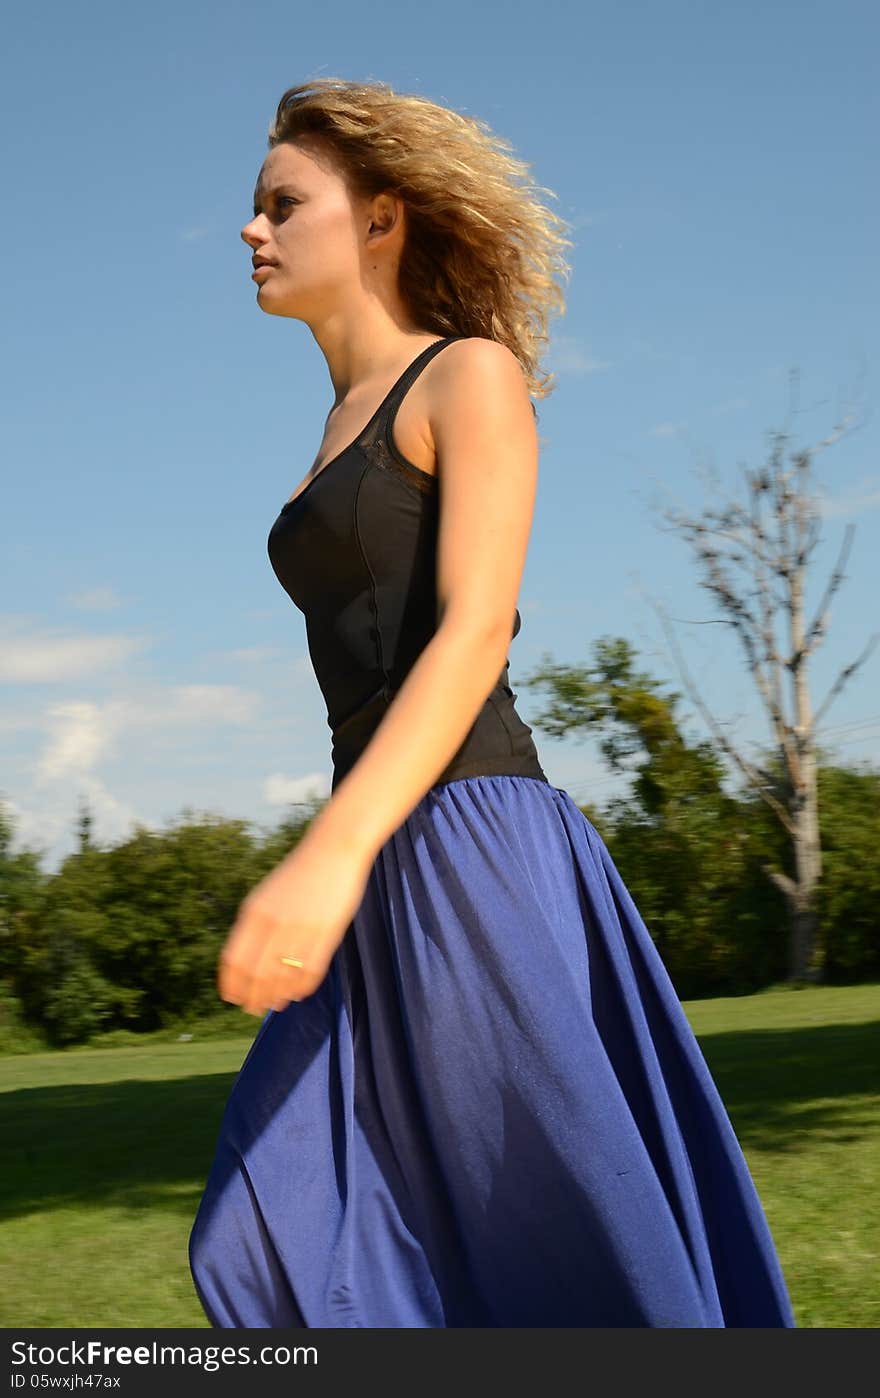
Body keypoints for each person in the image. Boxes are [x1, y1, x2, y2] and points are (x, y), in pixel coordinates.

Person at [188, 76, 796, 1329]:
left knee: (553, 1232)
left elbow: (472, 633)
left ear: (381, 219)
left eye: (280, 204)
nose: (250, 231)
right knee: (266, 1231)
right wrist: (349, 856)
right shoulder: (334, 423)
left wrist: (326, 855)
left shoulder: (466, 376)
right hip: (381, 859)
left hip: (472, 841)